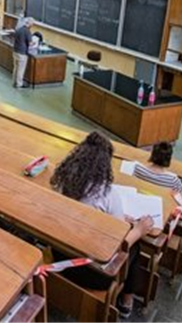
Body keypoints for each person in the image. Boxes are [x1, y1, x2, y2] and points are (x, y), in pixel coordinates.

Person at [50, 131, 154, 319]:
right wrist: (138, 229)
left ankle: (126, 301)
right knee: (135, 245)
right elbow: (116, 244)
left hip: (59, 257)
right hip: (92, 274)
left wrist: (121, 221)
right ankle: (126, 301)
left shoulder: (63, 180)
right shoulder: (108, 193)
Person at [13, 17, 34, 88]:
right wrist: (34, 43)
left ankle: (14, 81)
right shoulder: (27, 31)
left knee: (15, 67)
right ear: (30, 24)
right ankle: (19, 84)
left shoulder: (19, 29)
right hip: (22, 52)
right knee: (21, 69)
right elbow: (30, 43)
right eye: (32, 24)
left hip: (15, 50)